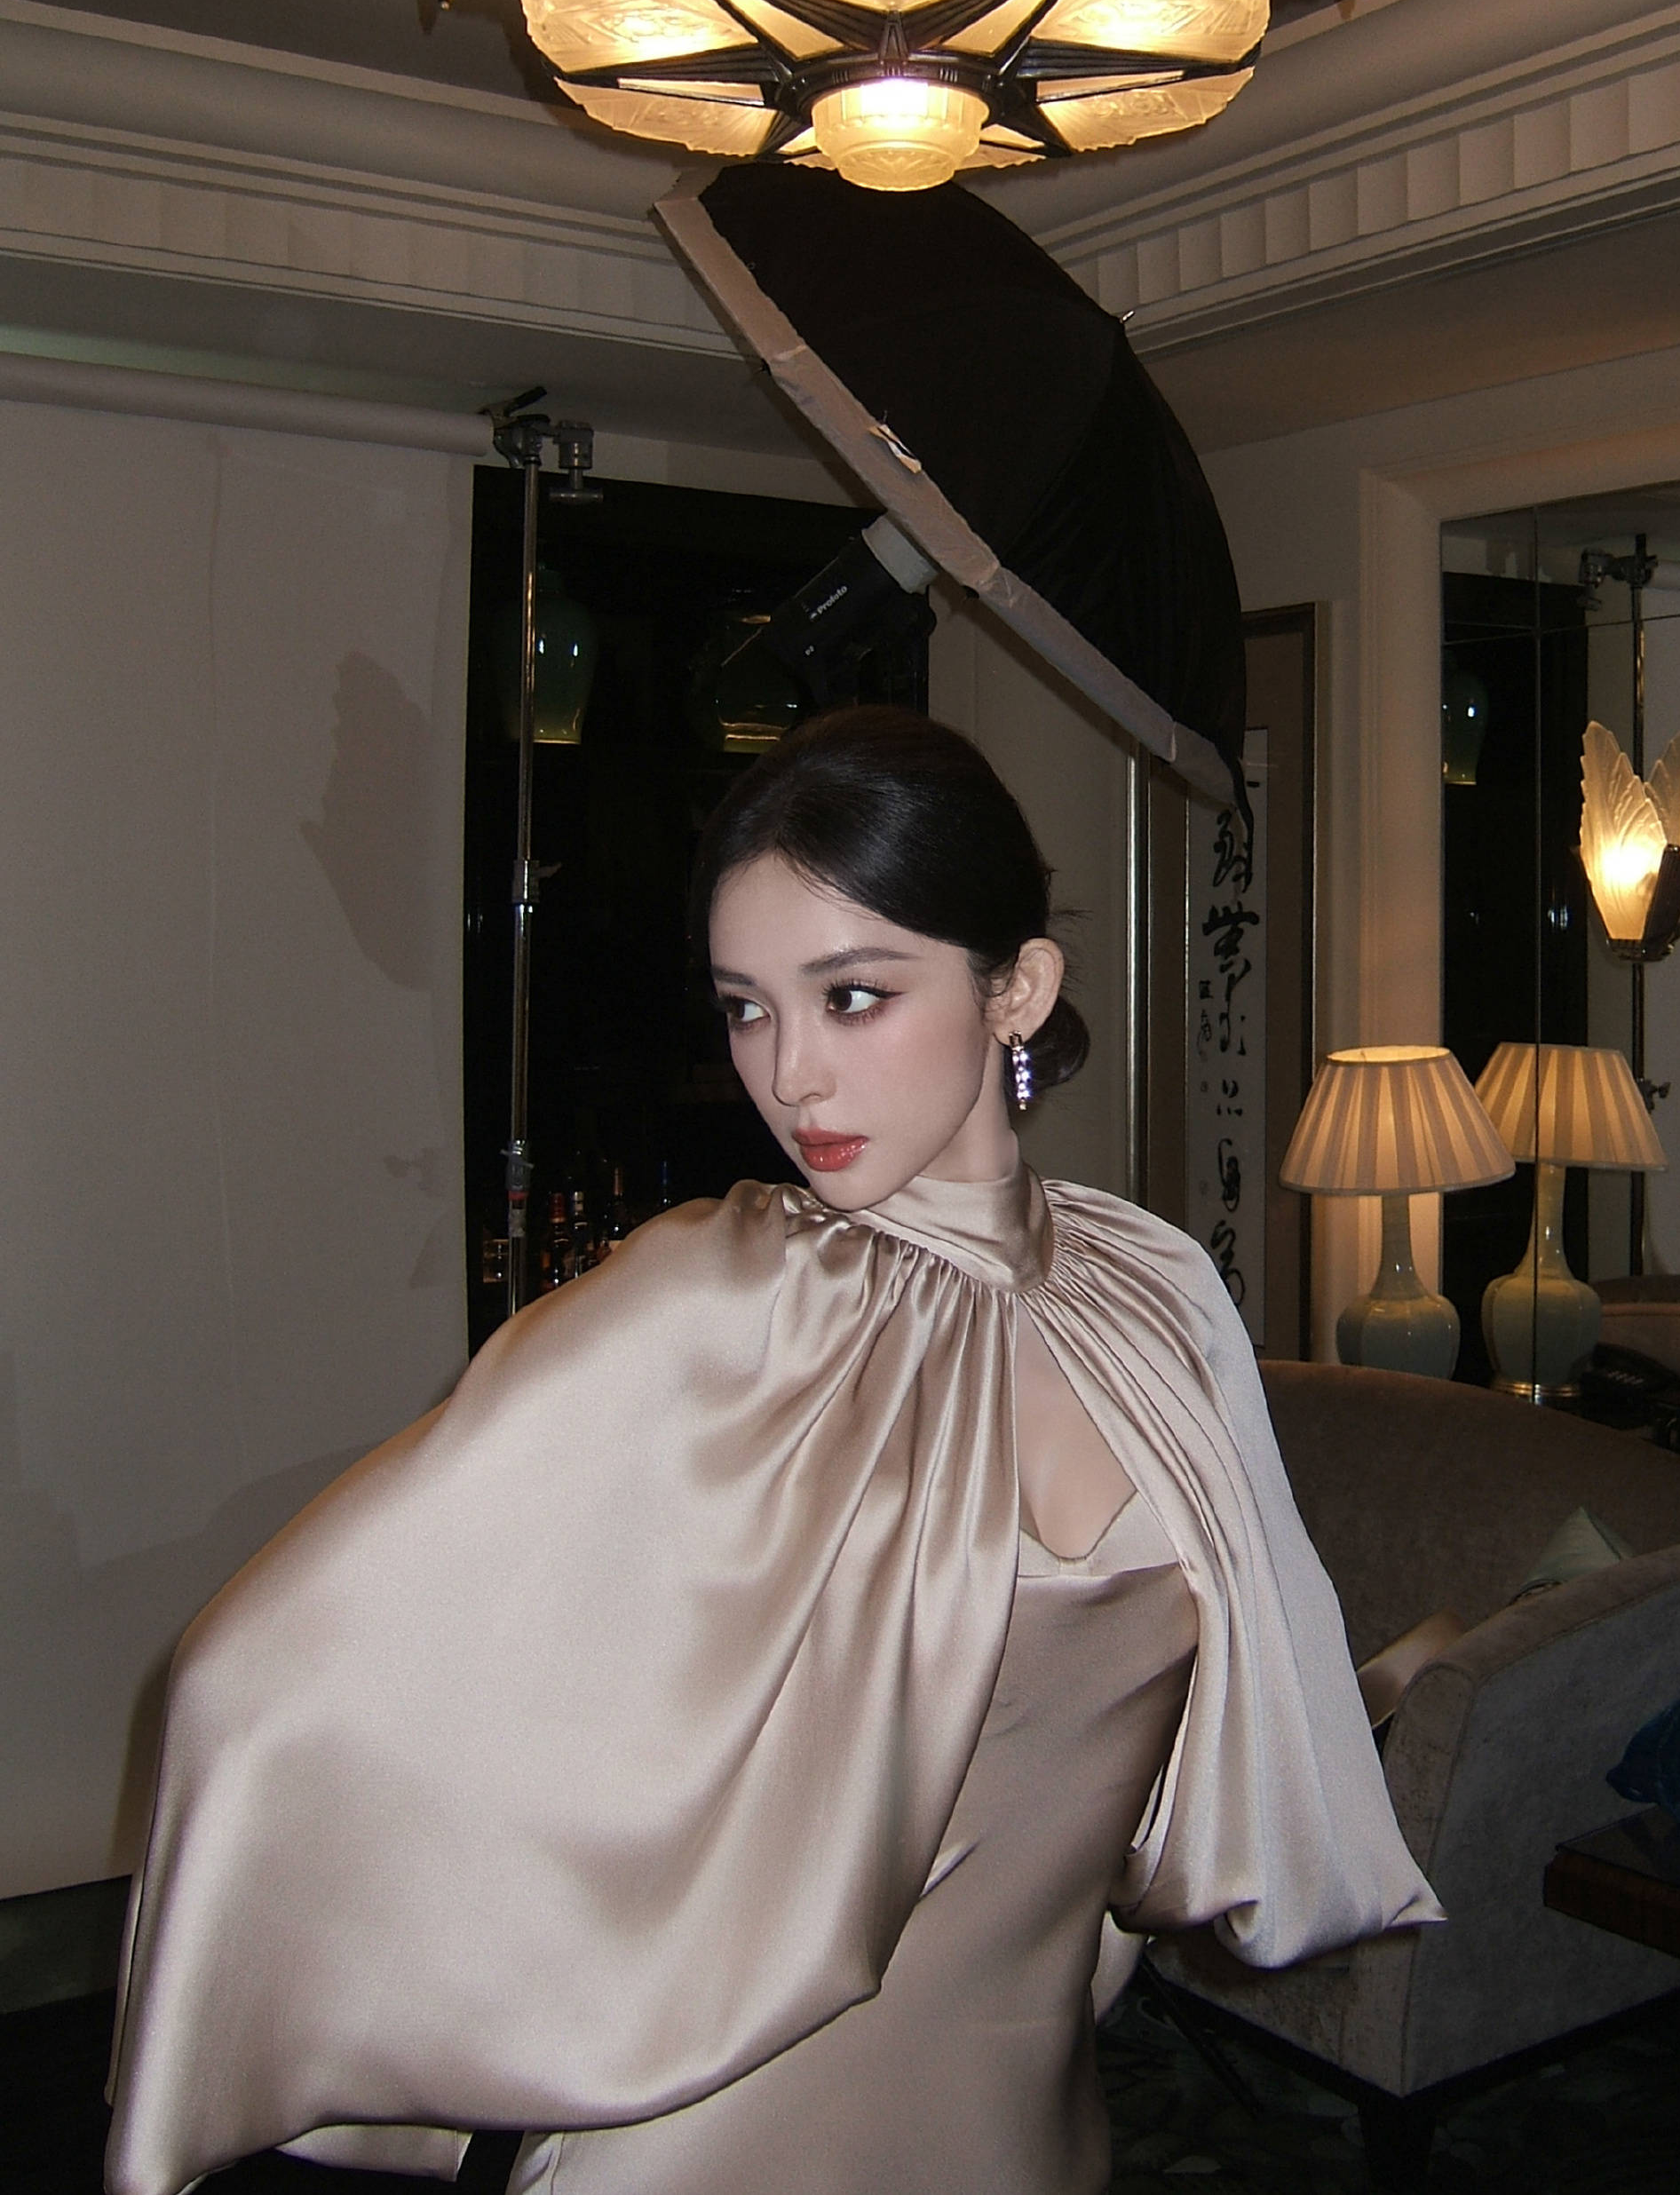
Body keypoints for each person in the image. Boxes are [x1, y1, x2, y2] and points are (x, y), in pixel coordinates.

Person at [105, 708, 1439, 2195]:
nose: (789, 1074)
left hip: (1023, 2122)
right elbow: (253, 1681)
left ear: (1018, 988)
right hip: (722, 2138)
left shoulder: (1156, 1288)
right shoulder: (719, 1298)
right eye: (747, 1009)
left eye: (852, 997)